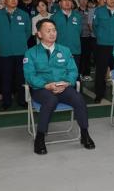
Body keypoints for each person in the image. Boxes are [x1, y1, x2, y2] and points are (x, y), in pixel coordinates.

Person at [23, 19, 95, 155]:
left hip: (63, 87)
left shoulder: (65, 50)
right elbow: (30, 76)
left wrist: (67, 82)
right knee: (50, 100)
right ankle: (40, 137)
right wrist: (46, 85)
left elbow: (73, 71)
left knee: (79, 99)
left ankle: (85, 134)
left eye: (54, 30)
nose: (52, 33)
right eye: (48, 31)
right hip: (42, 89)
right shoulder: (31, 53)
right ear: (39, 34)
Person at [0, 0, 32, 110]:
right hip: (5, 52)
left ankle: (22, 100)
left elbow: (28, 32)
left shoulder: (23, 15)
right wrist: (2, 43)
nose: (14, 0)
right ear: (5, 0)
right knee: (6, 77)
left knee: (21, 77)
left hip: (21, 51)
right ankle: (6, 101)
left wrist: (20, 41)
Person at [50, 0, 82, 71]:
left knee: (74, 75)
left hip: (75, 50)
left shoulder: (78, 16)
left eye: (69, 0)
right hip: (59, 51)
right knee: (60, 75)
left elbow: (79, 32)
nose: (67, 2)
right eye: (64, 0)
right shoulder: (54, 17)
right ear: (60, 3)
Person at [77, 0, 95, 82]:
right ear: (78, 0)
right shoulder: (75, 12)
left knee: (87, 56)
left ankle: (86, 74)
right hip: (79, 37)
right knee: (80, 56)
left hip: (89, 37)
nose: (83, 1)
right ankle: (79, 73)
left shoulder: (91, 11)